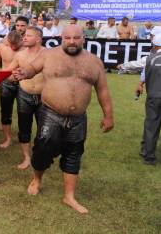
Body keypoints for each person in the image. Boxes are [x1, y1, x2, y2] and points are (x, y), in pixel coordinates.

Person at [13, 24, 114, 214]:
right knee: (42, 150)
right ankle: (37, 179)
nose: (72, 42)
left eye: (76, 38)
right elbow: (33, 68)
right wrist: (24, 72)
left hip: (78, 118)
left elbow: (103, 91)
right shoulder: (49, 55)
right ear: (62, 38)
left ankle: (69, 196)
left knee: (74, 154)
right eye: (68, 38)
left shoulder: (94, 62)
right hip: (51, 113)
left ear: (83, 39)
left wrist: (108, 116)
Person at [7, 27, 45, 169]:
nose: (24, 37)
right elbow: (8, 74)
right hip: (24, 95)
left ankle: (39, 156)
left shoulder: (48, 54)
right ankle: (26, 158)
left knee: (44, 130)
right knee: (24, 128)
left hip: (44, 97)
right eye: (25, 35)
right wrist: (13, 75)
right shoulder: (20, 55)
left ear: (39, 39)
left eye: (29, 36)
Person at [136, 34, 161, 165]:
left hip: (155, 97)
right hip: (156, 95)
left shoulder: (150, 58)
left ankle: (149, 156)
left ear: (156, 45)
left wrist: (122, 66)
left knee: (151, 126)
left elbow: (136, 65)